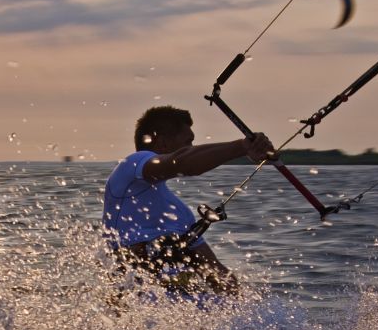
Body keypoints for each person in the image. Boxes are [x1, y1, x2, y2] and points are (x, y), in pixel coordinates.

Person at [102, 105, 274, 296]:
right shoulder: (132, 166)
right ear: (163, 143)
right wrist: (242, 147)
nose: (192, 148)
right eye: (188, 142)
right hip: (127, 305)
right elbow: (183, 162)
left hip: (178, 310)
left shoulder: (179, 213)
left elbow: (216, 273)